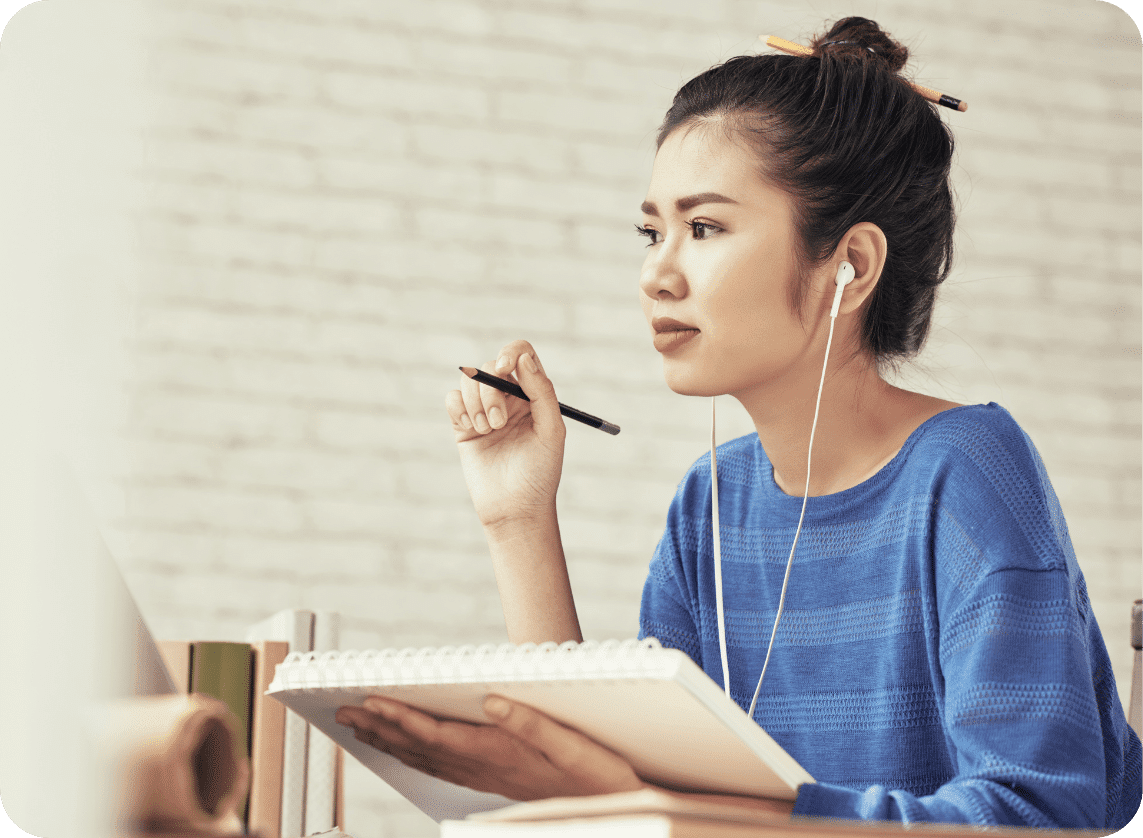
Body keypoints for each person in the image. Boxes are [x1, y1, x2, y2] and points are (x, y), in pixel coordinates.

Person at [335, 17, 1142, 828]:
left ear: (850, 266)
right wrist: (518, 518)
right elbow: (619, 788)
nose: (656, 273)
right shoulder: (710, 505)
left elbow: (1037, 816)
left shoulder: (965, 472)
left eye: (705, 228)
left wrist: (663, 798)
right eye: (651, 232)